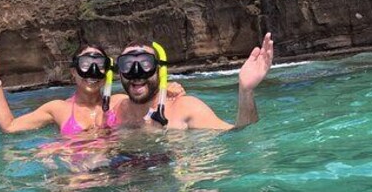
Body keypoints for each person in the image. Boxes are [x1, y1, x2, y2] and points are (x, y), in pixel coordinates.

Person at [0, 44, 185, 135]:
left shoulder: (119, 102)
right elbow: (10, 127)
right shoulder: (58, 109)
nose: (92, 71)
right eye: (85, 64)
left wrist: (167, 90)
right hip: (75, 175)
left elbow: (147, 99)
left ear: (108, 72)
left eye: (99, 65)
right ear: (73, 72)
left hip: (115, 169)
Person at [113, 33, 274, 131]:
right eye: (127, 65)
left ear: (160, 70)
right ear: (120, 73)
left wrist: (245, 91)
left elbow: (240, 135)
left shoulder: (185, 108)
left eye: (145, 64)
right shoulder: (113, 107)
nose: (136, 72)